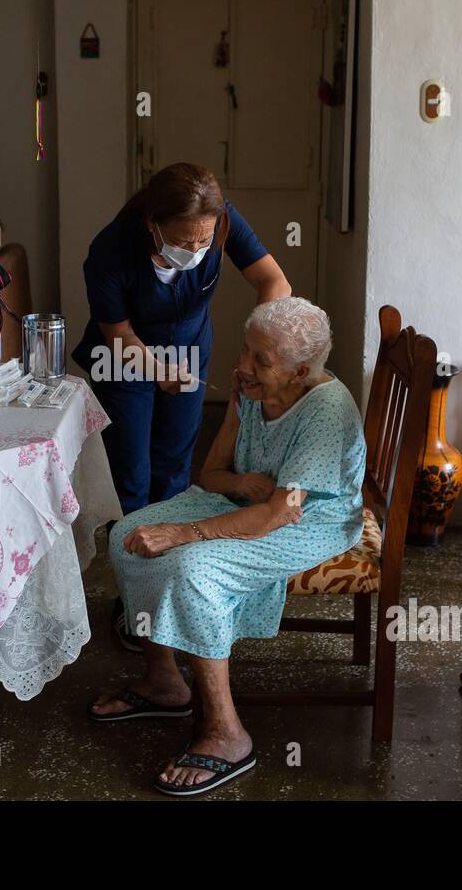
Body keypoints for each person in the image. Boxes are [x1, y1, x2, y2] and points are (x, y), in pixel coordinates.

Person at [87, 298, 366, 796]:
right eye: (245, 351)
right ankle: (164, 682)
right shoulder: (250, 388)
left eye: (261, 360)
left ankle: (226, 734)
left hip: (311, 521)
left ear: (301, 371)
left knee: (194, 569)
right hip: (254, 501)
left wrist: (186, 533)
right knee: (128, 537)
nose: (242, 367)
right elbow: (212, 473)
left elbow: (281, 512)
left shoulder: (327, 410)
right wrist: (239, 485)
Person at [72, 163, 290, 649]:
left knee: (173, 469)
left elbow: (275, 282)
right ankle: (132, 602)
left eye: (203, 242)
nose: (195, 250)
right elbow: (118, 334)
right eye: (184, 241)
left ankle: (166, 593)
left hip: (190, 349)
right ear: (154, 223)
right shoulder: (110, 249)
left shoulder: (222, 219)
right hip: (124, 360)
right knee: (132, 476)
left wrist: (259, 343)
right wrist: (159, 372)